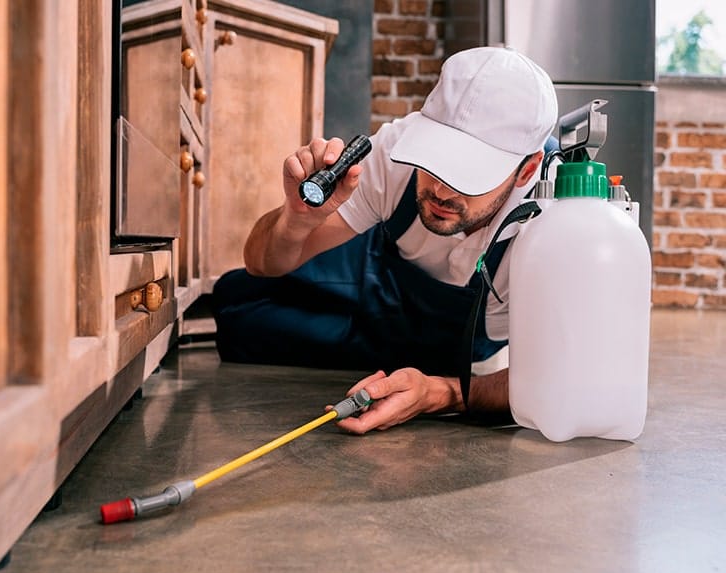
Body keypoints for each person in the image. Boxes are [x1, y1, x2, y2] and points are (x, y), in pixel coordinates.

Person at [212, 46, 558, 434]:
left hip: (456, 346)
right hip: (381, 272)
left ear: (526, 171)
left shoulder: (558, 226)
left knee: (256, 329)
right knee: (234, 301)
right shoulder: (395, 149)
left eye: (468, 174)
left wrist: (442, 393)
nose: (442, 189)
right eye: (435, 159)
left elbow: (560, 379)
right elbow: (262, 263)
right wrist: (296, 220)